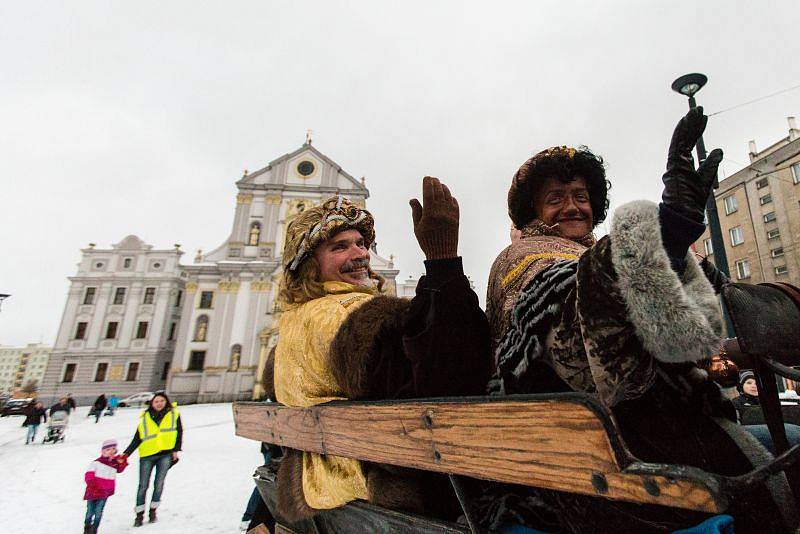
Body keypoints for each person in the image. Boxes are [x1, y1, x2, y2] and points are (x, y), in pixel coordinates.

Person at [480, 108, 796, 533]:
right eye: (555, 198)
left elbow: (682, 327)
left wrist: (677, 249)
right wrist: (666, 231)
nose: (572, 206)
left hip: (665, 438)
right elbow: (578, 334)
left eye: (580, 196)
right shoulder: (525, 258)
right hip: (595, 464)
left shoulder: (588, 254)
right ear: (532, 211)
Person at [273, 182, 490, 522]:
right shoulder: (354, 319)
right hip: (390, 492)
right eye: (339, 247)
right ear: (309, 264)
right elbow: (448, 379)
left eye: (361, 243)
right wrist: (443, 262)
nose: (360, 254)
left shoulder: (295, 320)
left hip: (319, 484)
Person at [119, 392, 183, 527]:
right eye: (156, 401)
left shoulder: (174, 415)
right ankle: (139, 514)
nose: (159, 403)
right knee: (143, 485)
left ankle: (153, 510)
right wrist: (126, 454)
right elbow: (137, 438)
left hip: (165, 454)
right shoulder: (145, 418)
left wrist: (175, 450)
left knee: (159, 483)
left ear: (166, 402)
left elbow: (179, 432)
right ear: (152, 403)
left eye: (162, 401)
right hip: (147, 455)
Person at [733, 371, 800, 454]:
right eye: (749, 383)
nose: (754, 386)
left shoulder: (769, 401)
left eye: (757, 383)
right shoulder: (736, 403)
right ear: (741, 386)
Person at [83, 439, 128, 533]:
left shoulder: (114, 463)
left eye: (113, 449)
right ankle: (87, 528)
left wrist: (122, 462)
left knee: (98, 512)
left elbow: (120, 469)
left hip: (104, 493)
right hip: (92, 491)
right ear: (103, 451)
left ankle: (94, 529)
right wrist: (92, 486)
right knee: (90, 512)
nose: (111, 451)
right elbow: (88, 476)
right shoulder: (96, 463)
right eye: (108, 450)